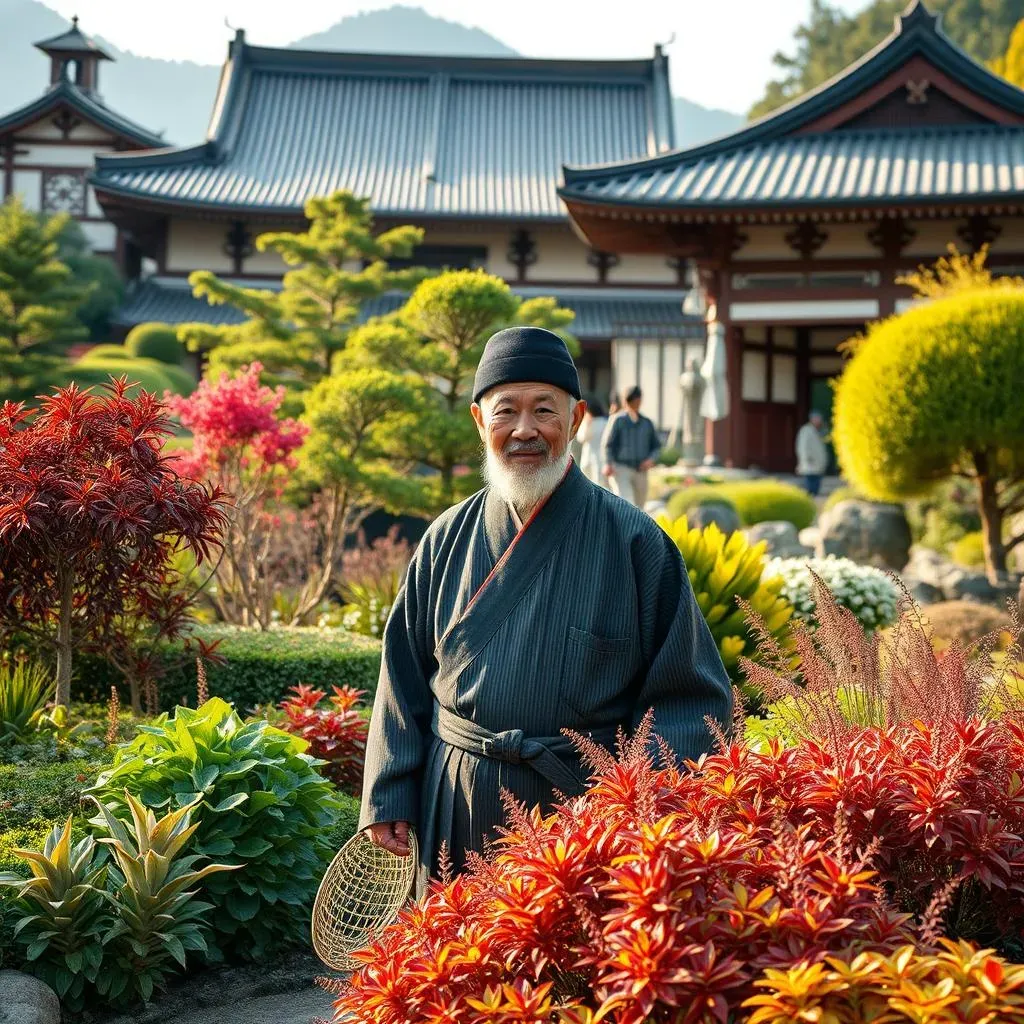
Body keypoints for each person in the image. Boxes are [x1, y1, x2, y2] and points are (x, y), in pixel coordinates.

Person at [359, 326, 732, 892]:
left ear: (577, 419)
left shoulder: (635, 541)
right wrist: (388, 792)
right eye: (506, 411)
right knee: (457, 966)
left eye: (545, 411)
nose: (525, 430)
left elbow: (689, 696)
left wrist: (639, 814)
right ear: (480, 422)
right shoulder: (444, 540)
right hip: (455, 808)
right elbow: (402, 676)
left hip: (580, 819)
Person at [601, 385, 661, 508]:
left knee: (640, 509)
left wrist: (651, 459)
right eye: (632, 400)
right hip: (621, 469)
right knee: (626, 504)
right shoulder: (617, 420)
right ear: (626, 401)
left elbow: (656, 446)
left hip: (641, 471)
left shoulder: (647, 422)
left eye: (637, 400)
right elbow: (608, 444)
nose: (635, 403)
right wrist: (608, 463)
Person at [795, 411, 829, 497]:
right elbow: (803, 446)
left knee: (816, 487)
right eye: (817, 419)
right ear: (812, 419)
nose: (819, 421)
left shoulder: (818, 431)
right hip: (810, 463)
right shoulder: (806, 430)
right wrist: (807, 459)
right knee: (810, 488)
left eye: (820, 419)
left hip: (818, 464)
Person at [576, 400, 608, 486]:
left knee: (591, 483)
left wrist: (586, 424)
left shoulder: (590, 423)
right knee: (599, 484)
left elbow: (581, 438)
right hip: (599, 458)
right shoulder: (606, 422)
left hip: (591, 457)